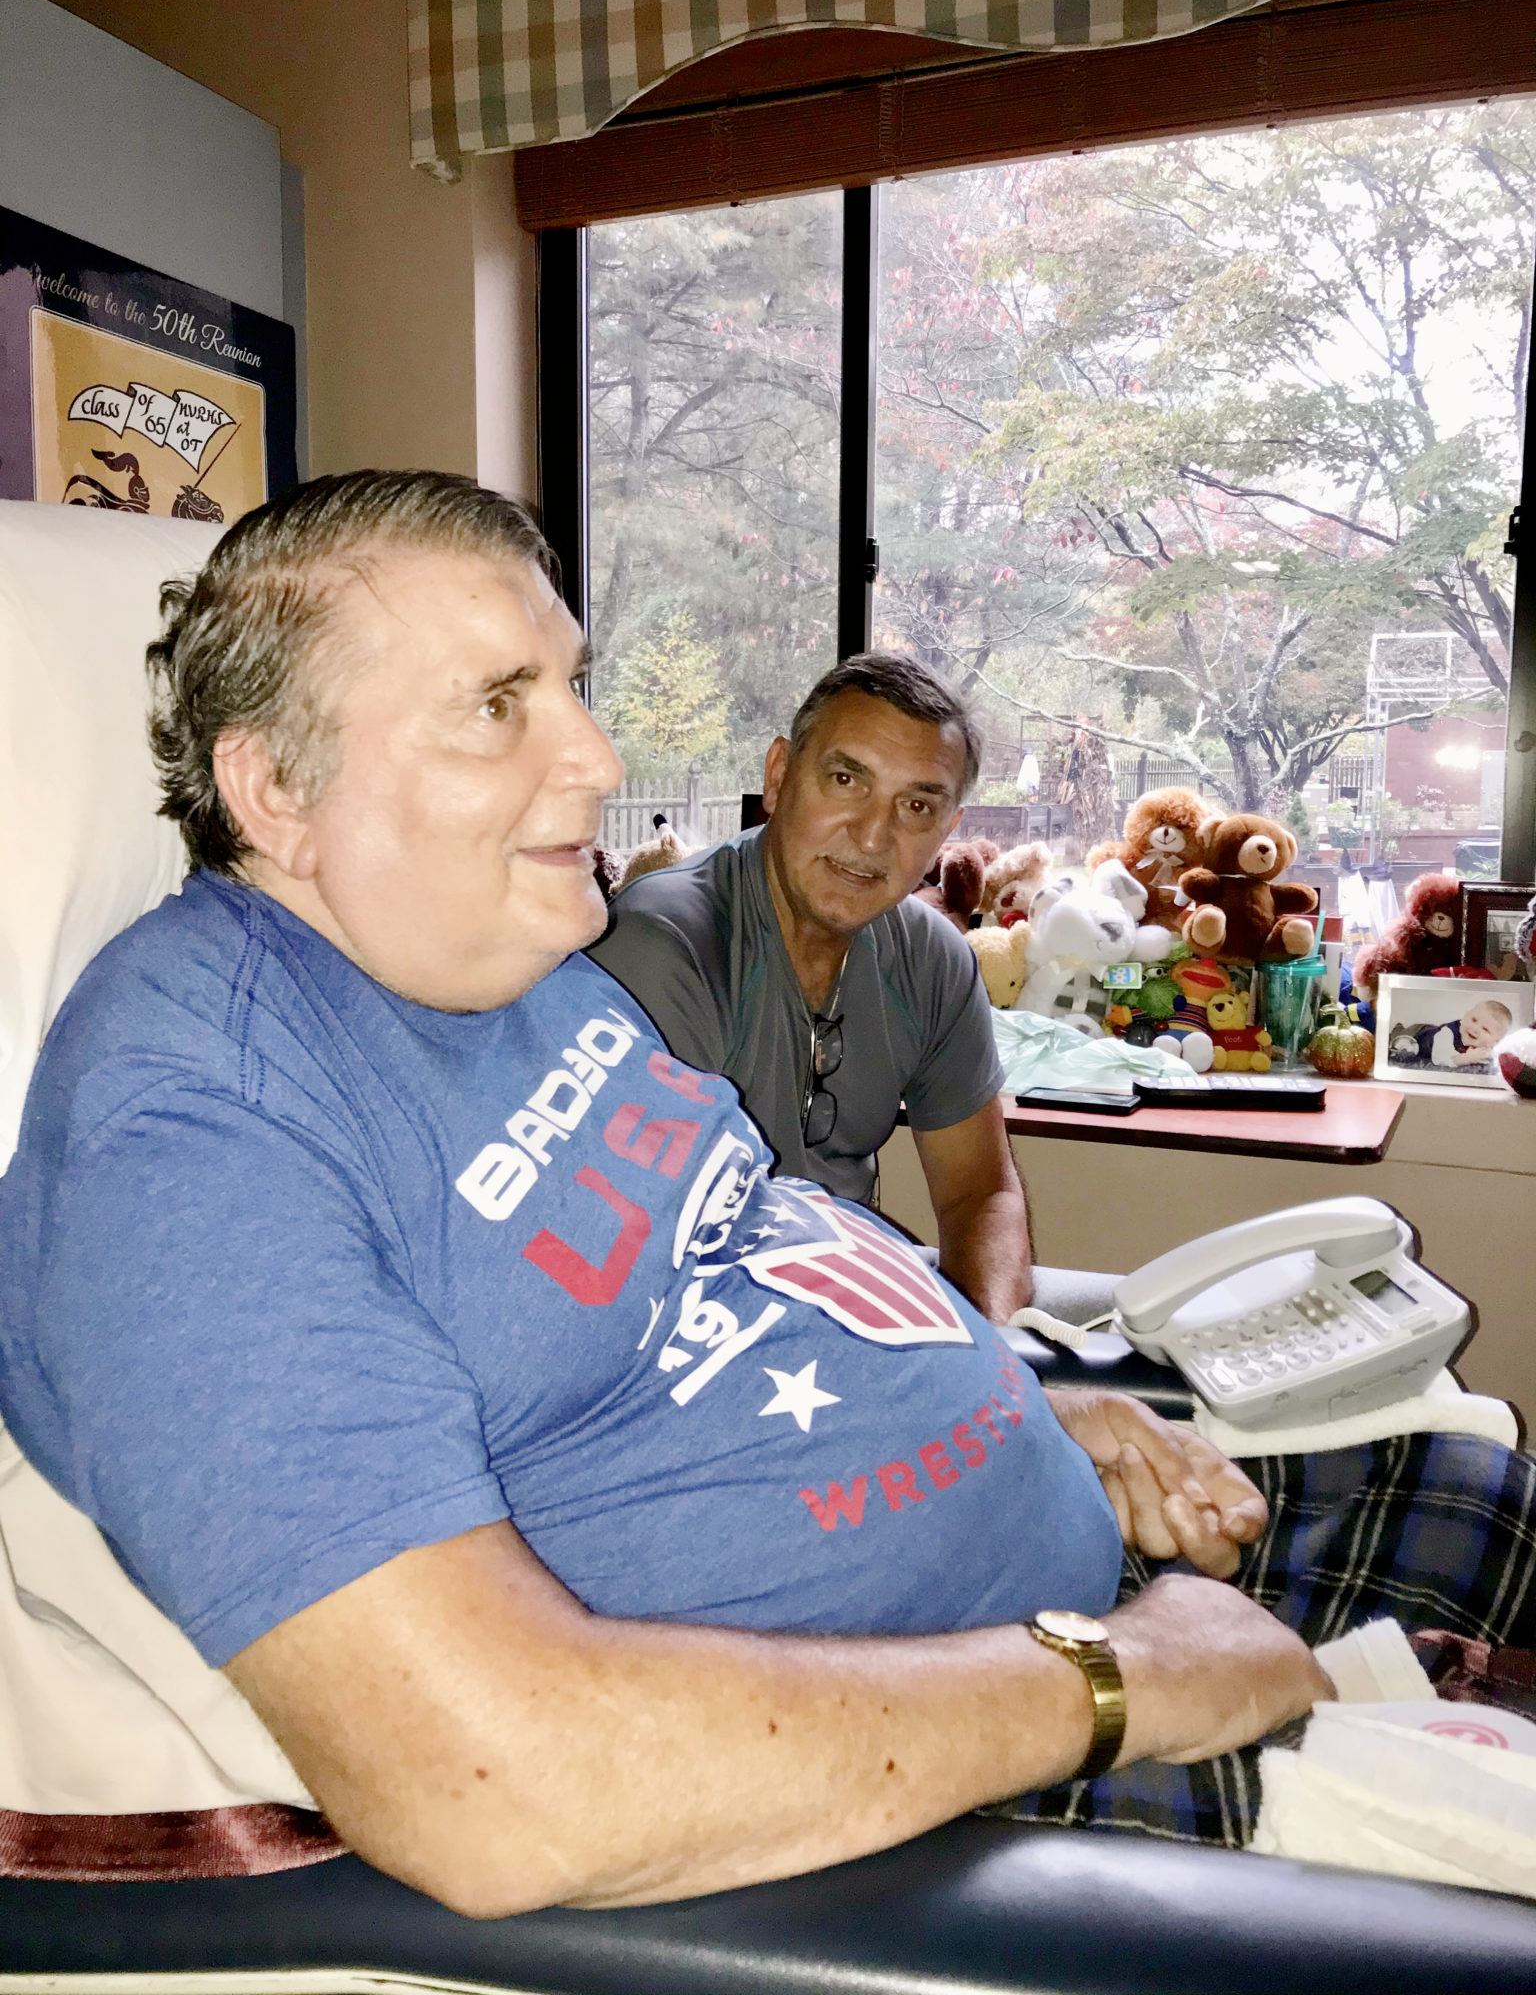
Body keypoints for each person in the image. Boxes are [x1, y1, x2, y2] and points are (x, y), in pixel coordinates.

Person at [1, 472, 1532, 1920]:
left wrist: (1018, 1397)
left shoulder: (505, 964)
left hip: (1072, 1591)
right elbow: (494, 1787)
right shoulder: (192, 1133)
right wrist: (1119, 1681)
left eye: (570, 685)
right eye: (496, 707)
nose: (597, 757)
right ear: (272, 786)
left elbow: (752, 1251)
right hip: (934, 1798)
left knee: (1487, 1496)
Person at [588, 652, 1101, 1326]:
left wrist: (992, 1354)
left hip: (850, 1299)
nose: (871, 835)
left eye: (915, 806)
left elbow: (979, 1193)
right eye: (844, 779)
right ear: (778, 776)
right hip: (702, 1331)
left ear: (946, 834)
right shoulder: (664, 947)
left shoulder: (931, 957)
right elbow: (641, 1250)